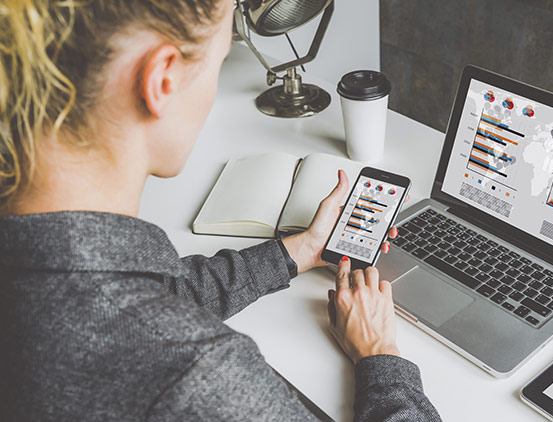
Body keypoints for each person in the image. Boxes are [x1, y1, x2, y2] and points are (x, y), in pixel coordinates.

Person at [0, 1, 441, 421]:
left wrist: (298, 250)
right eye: (220, 61)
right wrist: (380, 355)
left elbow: (123, 302)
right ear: (162, 80)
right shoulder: (197, 376)